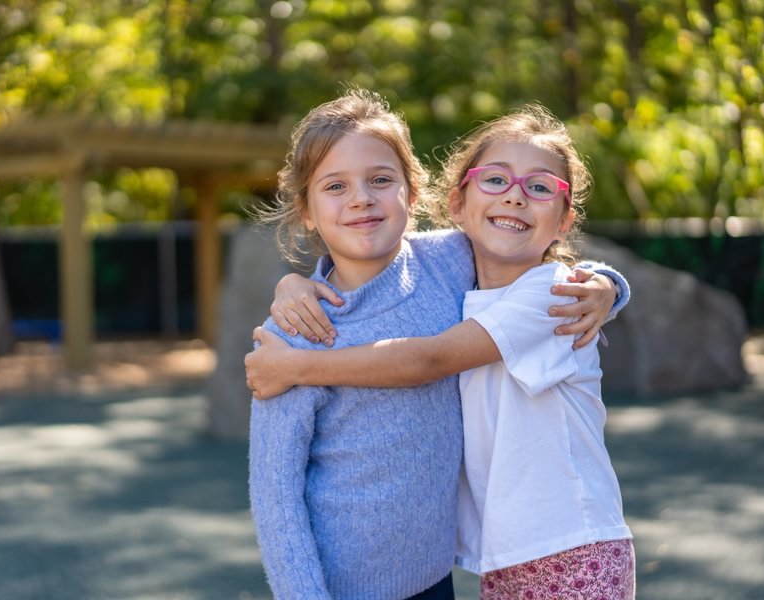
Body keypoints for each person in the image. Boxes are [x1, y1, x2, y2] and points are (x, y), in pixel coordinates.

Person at [247, 89, 626, 600]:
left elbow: (525, 256)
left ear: (413, 190)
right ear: (307, 211)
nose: (361, 198)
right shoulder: (294, 334)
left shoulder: (448, 264)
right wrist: (290, 286)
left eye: (381, 180)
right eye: (335, 186)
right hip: (346, 588)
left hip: (444, 578)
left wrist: (606, 284)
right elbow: (277, 500)